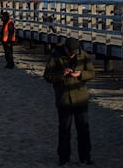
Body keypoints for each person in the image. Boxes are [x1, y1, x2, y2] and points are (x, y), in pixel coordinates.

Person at [43, 38, 95, 166]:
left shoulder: (83, 55)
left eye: (75, 52)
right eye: (71, 52)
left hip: (80, 98)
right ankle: (64, 158)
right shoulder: (55, 56)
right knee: (64, 129)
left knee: (83, 129)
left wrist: (80, 74)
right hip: (64, 98)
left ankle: (85, 157)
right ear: (66, 48)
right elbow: (47, 76)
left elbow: (91, 73)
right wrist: (62, 74)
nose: (73, 54)